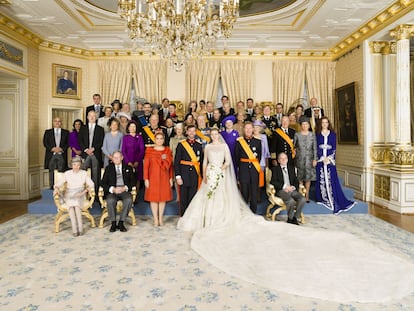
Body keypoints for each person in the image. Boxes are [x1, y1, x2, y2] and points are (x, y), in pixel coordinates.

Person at [177, 128, 238, 231]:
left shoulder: (224, 146)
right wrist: (204, 175)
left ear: (218, 135)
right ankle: (206, 219)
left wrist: (220, 169)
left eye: (216, 134)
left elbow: (227, 161)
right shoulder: (207, 147)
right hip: (209, 173)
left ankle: (218, 219)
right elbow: (204, 161)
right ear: (210, 136)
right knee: (208, 194)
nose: (214, 136)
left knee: (220, 194)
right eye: (212, 134)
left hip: (221, 173)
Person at [315, 117, 356, 214]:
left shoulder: (333, 135)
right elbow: (316, 147)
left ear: (328, 123)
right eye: (323, 123)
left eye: (326, 122)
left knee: (331, 179)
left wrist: (328, 159)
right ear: (321, 124)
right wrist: (321, 157)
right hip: (320, 161)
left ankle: (333, 198)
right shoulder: (317, 135)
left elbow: (334, 148)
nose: (324, 124)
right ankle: (323, 198)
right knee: (321, 179)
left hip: (329, 161)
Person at [53, 156, 94, 236]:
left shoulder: (84, 173)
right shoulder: (67, 173)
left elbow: (91, 184)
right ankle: (75, 230)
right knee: (71, 208)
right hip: (69, 194)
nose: (76, 167)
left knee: (77, 207)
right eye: (74, 165)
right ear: (71, 165)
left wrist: (84, 191)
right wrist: (56, 188)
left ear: (80, 165)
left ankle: (80, 229)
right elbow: (58, 184)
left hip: (80, 194)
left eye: (78, 165)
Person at [101, 151, 136, 232]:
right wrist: (112, 189)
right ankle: (113, 223)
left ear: (122, 158)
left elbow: (133, 181)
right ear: (112, 159)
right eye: (114, 158)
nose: (116, 159)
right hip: (113, 191)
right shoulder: (108, 169)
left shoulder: (128, 168)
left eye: (118, 157)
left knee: (128, 199)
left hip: (124, 190)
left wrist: (125, 188)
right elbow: (103, 183)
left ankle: (121, 222)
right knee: (110, 200)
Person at [144, 133, 173, 226]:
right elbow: (146, 166)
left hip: (164, 177)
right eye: (157, 138)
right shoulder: (149, 151)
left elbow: (171, 167)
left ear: (164, 140)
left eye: (161, 138)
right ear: (155, 140)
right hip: (153, 177)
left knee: (162, 199)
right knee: (153, 198)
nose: (159, 140)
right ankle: (155, 219)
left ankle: (160, 218)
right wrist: (146, 179)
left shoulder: (167, 151)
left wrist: (171, 178)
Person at [174, 125, 203, 216]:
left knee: (193, 197)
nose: (191, 133)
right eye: (189, 131)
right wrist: (178, 176)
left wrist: (202, 176)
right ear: (186, 132)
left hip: (195, 174)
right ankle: (183, 217)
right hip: (184, 174)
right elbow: (177, 161)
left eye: (193, 131)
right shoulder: (181, 144)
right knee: (183, 198)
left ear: (195, 132)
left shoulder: (199, 145)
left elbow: (201, 162)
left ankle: (190, 217)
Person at [270, 152, 306, 225]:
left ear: (287, 159)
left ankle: (295, 217)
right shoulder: (275, 169)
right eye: (281, 158)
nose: (283, 160)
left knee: (302, 199)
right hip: (282, 191)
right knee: (291, 201)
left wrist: (292, 187)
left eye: (285, 158)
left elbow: (296, 181)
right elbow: (273, 181)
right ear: (278, 160)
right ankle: (290, 218)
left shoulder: (291, 168)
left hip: (292, 190)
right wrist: (284, 187)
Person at [235, 122, 262, 213]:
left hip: (254, 170)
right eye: (246, 128)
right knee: (244, 193)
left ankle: (253, 213)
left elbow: (259, 157)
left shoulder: (258, 142)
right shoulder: (239, 142)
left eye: (250, 128)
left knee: (254, 193)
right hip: (243, 170)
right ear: (243, 130)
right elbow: (237, 157)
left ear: (253, 129)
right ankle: (245, 213)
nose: (248, 130)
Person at [78, 110, 105, 194]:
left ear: (96, 117)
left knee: (96, 175)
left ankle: (95, 194)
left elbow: (101, 141)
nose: (92, 117)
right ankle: (83, 193)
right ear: (87, 117)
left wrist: (93, 149)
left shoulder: (100, 129)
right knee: (83, 174)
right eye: (90, 116)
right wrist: (86, 149)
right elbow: (80, 141)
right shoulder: (83, 128)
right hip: (85, 154)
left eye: (94, 116)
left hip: (95, 154)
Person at [294, 116, 317, 202]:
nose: (304, 126)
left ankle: (306, 195)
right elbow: (293, 146)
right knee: (300, 178)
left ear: (309, 125)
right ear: (300, 125)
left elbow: (314, 148)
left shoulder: (312, 135)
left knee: (308, 178)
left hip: (309, 160)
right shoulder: (297, 135)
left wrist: (315, 159)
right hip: (299, 159)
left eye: (306, 124)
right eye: (303, 124)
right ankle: (300, 195)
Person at [43, 117, 69, 189]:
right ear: (53, 122)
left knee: (61, 172)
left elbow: (68, 143)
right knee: (51, 172)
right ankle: (52, 187)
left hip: (62, 155)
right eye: (55, 121)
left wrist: (61, 149)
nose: (57, 123)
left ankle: (60, 187)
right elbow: (45, 143)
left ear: (61, 123)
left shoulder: (66, 132)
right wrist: (52, 148)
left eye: (59, 121)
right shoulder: (48, 132)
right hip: (51, 155)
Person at [121, 121, 145, 192]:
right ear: (128, 128)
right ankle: (129, 194)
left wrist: (137, 161)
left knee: (137, 178)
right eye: (131, 127)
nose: (132, 128)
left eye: (134, 127)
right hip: (127, 161)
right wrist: (128, 162)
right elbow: (123, 151)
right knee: (128, 178)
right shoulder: (125, 137)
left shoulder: (140, 137)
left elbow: (142, 150)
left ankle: (136, 195)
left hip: (138, 161)